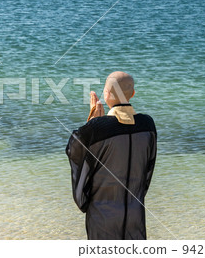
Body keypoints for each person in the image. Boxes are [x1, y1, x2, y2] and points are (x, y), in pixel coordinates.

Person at [65, 71, 157, 240]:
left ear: (106, 94)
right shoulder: (147, 125)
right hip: (134, 212)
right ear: (133, 94)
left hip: (103, 214)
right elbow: (149, 165)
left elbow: (73, 149)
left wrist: (91, 124)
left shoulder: (98, 129)